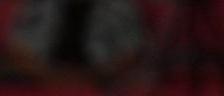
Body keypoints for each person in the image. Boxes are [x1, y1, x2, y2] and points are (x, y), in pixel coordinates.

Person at [8, 0, 143, 82]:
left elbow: (130, 54)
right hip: (42, 81)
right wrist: (47, 78)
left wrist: (90, 79)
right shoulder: (39, 4)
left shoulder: (118, 6)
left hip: (100, 85)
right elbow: (17, 49)